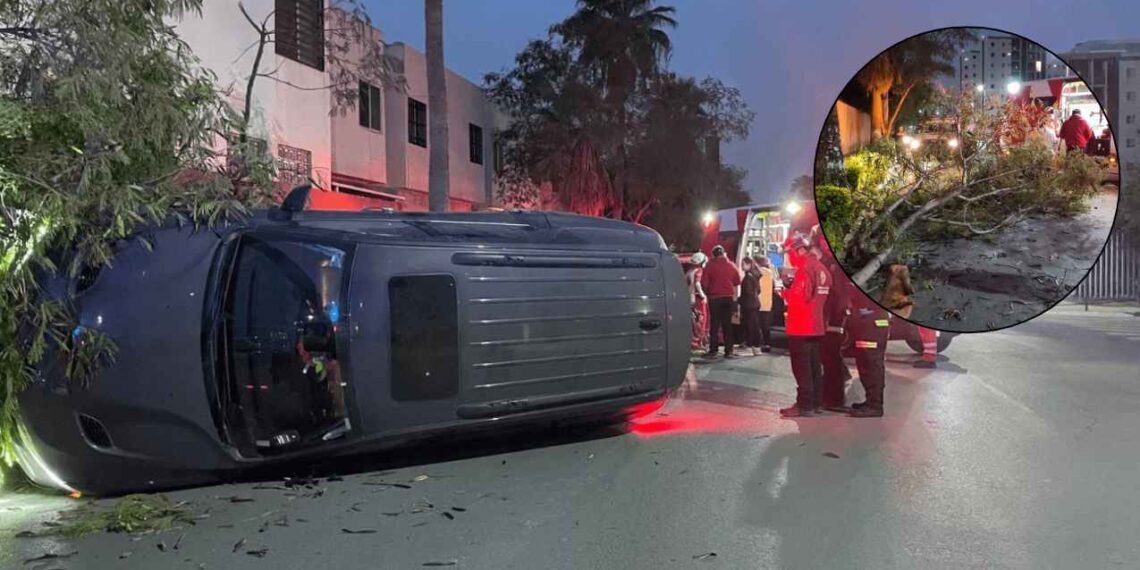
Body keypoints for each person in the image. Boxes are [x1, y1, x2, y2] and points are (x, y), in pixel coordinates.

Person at [779, 233, 830, 417]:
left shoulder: (805, 269)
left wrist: (785, 291)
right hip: (817, 325)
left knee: (802, 368)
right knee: (814, 365)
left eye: (791, 252)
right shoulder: (822, 268)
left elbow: (799, 298)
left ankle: (805, 405)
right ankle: (816, 402)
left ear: (799, 250)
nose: (790, 256)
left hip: (801, 326)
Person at [817, 241, 851, 412]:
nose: (823, 244)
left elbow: (836, 293)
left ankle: (834, 399)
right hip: (835, 315)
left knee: (831, 357)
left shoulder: (836, 266)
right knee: (830, 357)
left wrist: (830, 319)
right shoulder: (833, 263)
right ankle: (831, 396)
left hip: (834, 317)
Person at [846, 288, 890, 418]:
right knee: (866, 364)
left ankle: (874, 406)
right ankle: (871, 401)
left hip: (872, 325)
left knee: (871, 364)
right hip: (869, 324)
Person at [701, 245, 742, 360]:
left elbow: (704, 283)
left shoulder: (710, 266)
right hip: (728, 298)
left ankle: (713, 350)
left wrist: (708, 292)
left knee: (714, 324)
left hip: (714, 298)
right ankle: (729, 351)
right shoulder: (731, 265)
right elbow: (737, 281)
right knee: (727, 325)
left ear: (713, 254)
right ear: (724, 253)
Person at [739, 257, 764, 356]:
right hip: (755, 303)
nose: (741, 266)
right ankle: (756, 347)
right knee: (754, 326)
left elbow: (748, 292)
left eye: (743, 264)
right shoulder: (755, 275)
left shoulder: (748, 277)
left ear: (748, 264)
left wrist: (740, 300)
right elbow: (758, 291)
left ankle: (752, 346)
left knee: (750, 326)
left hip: (749, 304)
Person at [687, 252, 709, 351]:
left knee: (693, 322)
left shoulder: (689, 271)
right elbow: (697, 283)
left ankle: (693, 342)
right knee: (700, 321)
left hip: (689, 300)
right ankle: (698, 343)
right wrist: (703, 295)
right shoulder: (699, 270)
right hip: (697, 300)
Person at [754, 255, 775, 353]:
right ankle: (767, 344)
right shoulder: (770, 272)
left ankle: (757, 344)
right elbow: (774, 286)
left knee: (756, 325)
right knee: (766, 326)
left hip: (757, 302)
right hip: (767, 302)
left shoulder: (756, 272)